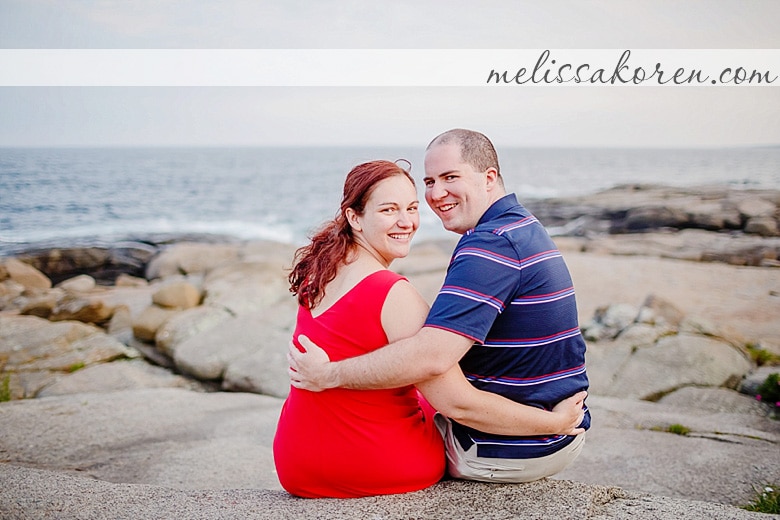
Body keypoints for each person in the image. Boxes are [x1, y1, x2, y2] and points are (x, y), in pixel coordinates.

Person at [288, 130, 591, 484]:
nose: (435, 194)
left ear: (489, 177)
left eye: (450, 177)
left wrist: (330, 375)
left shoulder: (490, 247)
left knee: (422, 382)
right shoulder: (519, 228)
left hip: (511, 445)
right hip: (532, 429)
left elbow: (433, 364)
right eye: (429, 181)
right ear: (355, 218)